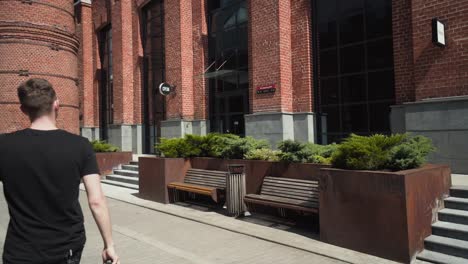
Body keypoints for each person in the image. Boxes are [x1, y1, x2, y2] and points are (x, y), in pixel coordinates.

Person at [0, 78, 120, 264]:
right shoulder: (80, 146)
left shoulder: (4, 145)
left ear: (23, 110)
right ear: (57, 104)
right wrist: (109, 245)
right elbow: (96, 201)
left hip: (20, 249)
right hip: (66, 248)